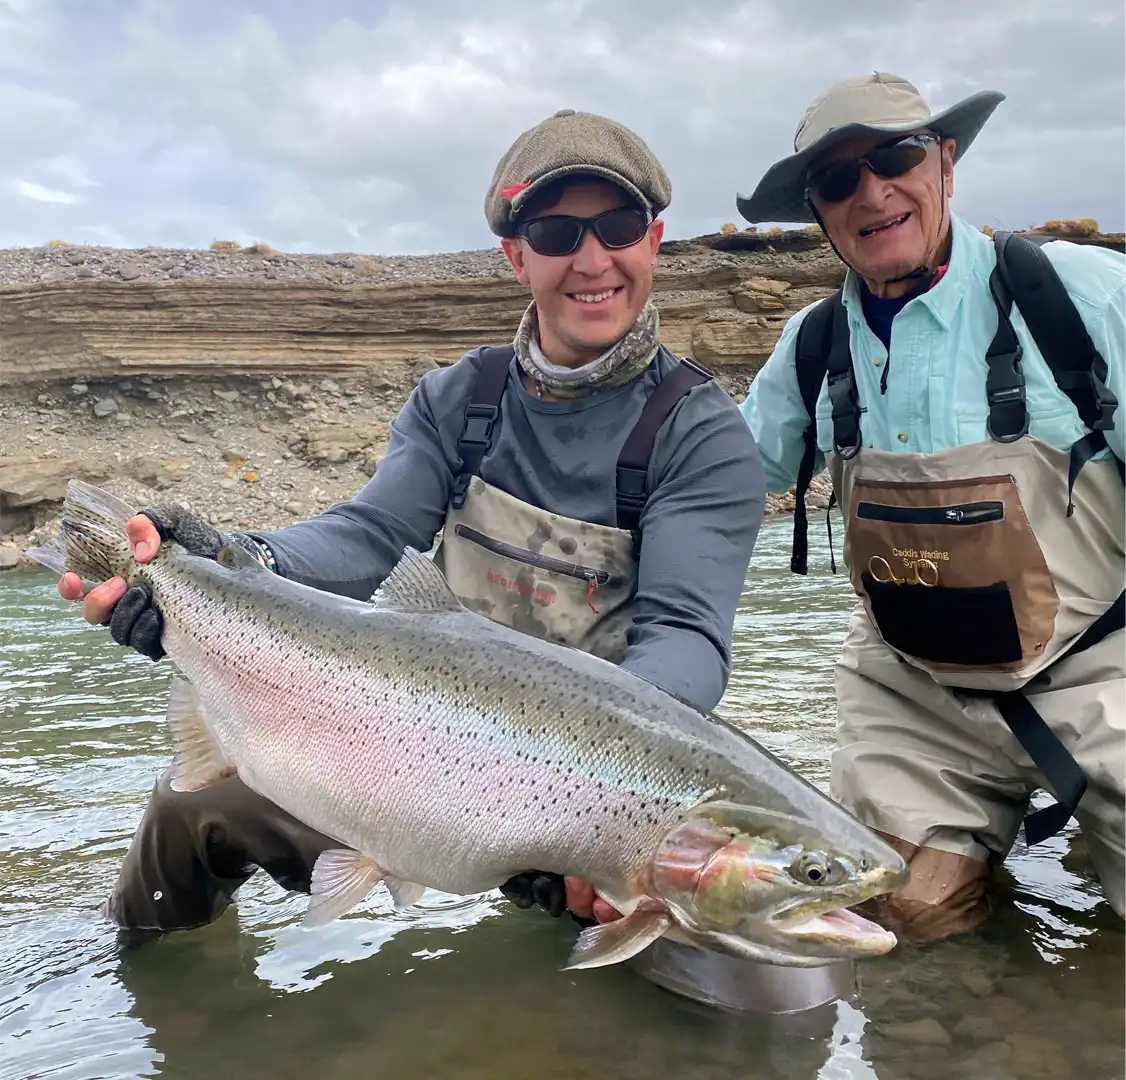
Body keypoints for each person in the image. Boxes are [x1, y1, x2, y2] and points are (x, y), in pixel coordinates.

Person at [58, 108, 793, 1009]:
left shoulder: (701, 435)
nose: (592, 259)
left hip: (588, 807)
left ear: (656, 242)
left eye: (619, 228)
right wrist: (231, 559)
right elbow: (367, 538)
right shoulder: (459, 402)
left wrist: (612, 818)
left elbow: (684, 638)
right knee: (186, 811)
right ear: (516, 257)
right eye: (558, 234)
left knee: (782, 986)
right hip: (400, 765)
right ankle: (126, 1009)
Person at [737, 72, 1125, 942]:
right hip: (913, 696)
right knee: (887, 914)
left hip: (1106, 671)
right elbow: (709, 487)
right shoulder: (809, 347)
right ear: (818, 211)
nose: (872, 192)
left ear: (944, 162)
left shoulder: (1083, 296)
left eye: (894, 156)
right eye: (838, 181)